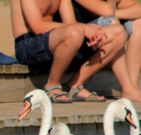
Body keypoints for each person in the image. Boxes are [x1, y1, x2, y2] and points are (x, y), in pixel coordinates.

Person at [11, 0, 141, 103]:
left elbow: (71, 23)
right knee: (75, 31)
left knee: (118, 33)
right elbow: (38, 26)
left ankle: (73, 85)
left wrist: (93, 33)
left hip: (57, 40)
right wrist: (84, 28)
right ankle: (52, 85)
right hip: (29, 44)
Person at [71, 0, 141, 90]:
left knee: (139, 24)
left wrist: (115, 13)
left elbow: (138, 9)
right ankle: (128, 88)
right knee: (111, 22)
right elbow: (107, 10)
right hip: (78, 41)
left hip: (98, 38)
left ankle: (132, 85)